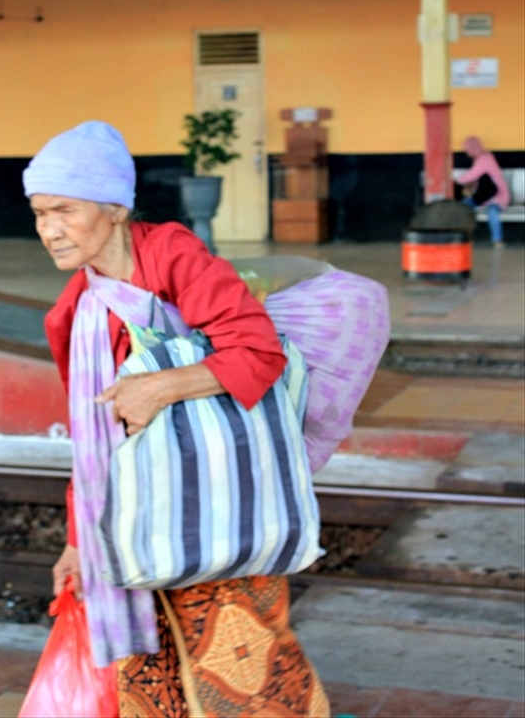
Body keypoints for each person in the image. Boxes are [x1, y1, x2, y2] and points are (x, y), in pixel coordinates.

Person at [23, 120, 330, 718]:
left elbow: (258, 353)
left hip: (217, 506)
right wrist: (77, 540)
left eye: (63, 210)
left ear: (114, 208)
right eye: (38, 214)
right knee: (152, 672)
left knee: (244, 672)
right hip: (137, 519)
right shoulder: (76, 308)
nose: (48, 231)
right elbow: (94, 445)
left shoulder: (172, 256)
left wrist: (159, 387)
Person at [457, 136, 510, 248]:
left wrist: (457, 181)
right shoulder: (480, 159)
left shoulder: (485, 159)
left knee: (492, 211)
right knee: (463, 206)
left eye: (467, 149)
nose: (466, 152)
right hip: (484, 197)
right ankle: (466, 238)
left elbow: (471, 175)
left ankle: (497, 240)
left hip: (497, 196)